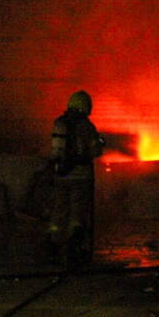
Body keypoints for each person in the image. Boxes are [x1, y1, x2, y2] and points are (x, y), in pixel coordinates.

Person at [47, 90, 104, 268]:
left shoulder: (59, 123)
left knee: (59, 211)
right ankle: (74, 247)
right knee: (77, 213)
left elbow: (54, 150)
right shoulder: (87, 126)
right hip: (81, 176)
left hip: (60, 175)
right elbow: (95, 151)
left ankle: (53, 246)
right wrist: (101, 142)